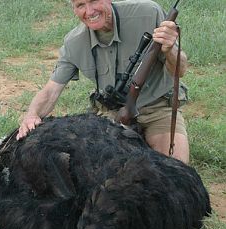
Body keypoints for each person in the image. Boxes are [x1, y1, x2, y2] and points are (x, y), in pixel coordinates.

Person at [17, 0, 189, 163]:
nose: (89, 11)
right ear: (74, 9)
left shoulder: (148, 13)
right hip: (112, 113)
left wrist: (169, 51)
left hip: (157, 107)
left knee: (175, 170)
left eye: (93, 1)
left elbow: (179, 71)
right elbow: (50, 91)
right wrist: (32, 115)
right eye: (81, 5)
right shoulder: (74, 42)